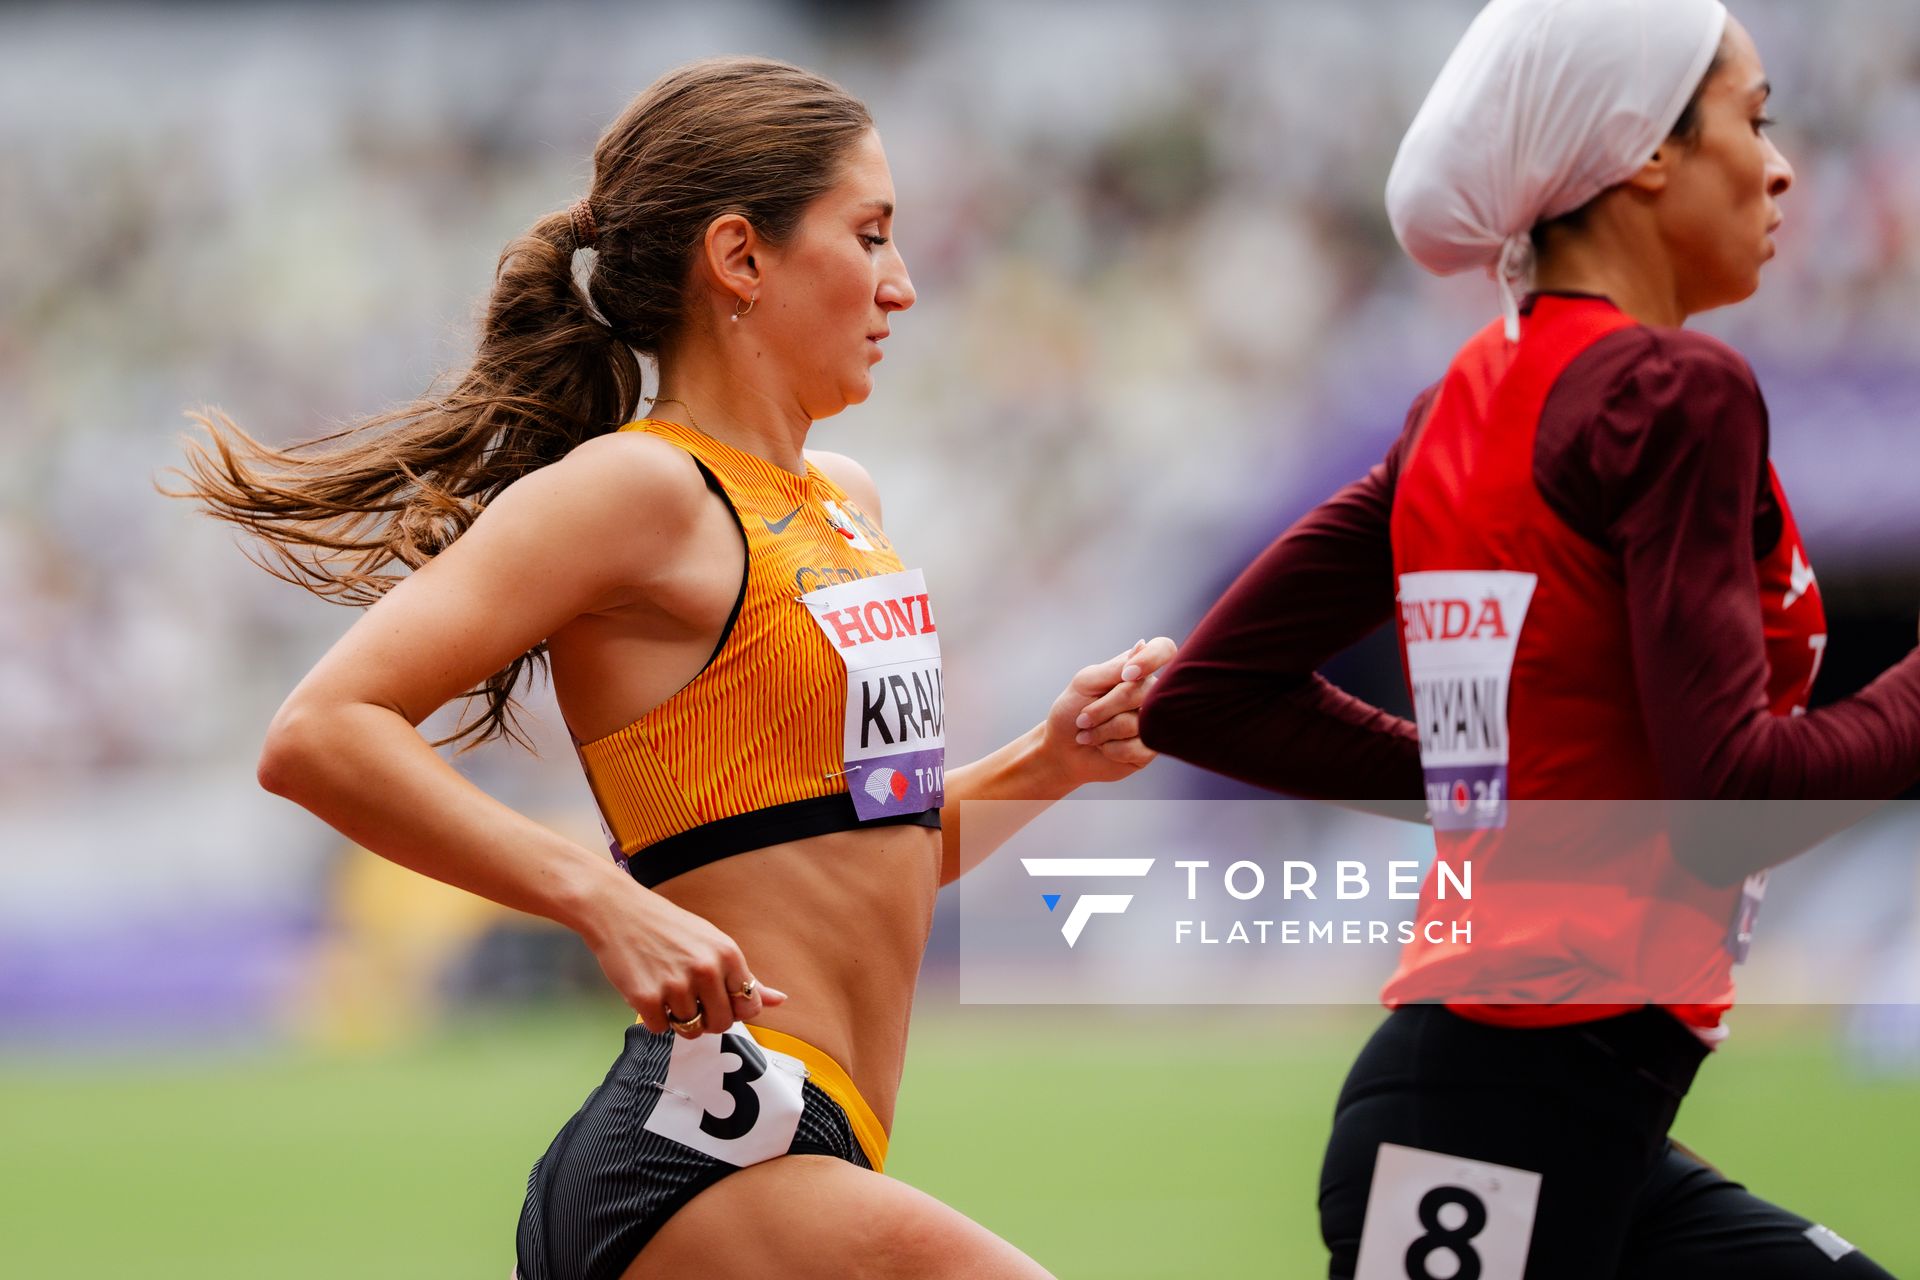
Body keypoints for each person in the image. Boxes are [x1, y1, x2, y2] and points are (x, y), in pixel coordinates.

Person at [169, 56, 1173, 1280]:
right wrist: (603, 898)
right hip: (694, 1160)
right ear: (740, 256)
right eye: (869, 235)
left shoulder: (845, 502)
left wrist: (1050, 761)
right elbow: (320, 731)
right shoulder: (639, 488)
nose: (902, 284)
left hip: (808, 1132)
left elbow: (861, 849)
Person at [1140, 2, 1914, 1275]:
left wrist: (1520, 794)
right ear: (1645, 150)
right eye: (1755, 119)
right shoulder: (1671, 391)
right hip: (1500, 1122)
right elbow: (1731, 799)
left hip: (1554, 1118)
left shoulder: (1461, 400)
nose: (1782, 169)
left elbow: (1208, 695)